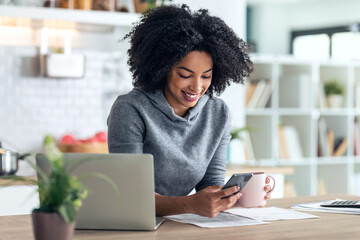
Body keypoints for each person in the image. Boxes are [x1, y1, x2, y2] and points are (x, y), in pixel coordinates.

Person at [107, 4, 271, 218]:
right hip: (136, 226)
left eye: (206, 76)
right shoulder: (130, 109)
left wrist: (234, 196)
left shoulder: (217, 112)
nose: (196, 87)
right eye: (185, 75)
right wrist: (189, 205)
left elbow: (209, 186)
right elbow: (132, 196)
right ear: (163, 69)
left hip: (181, 226)